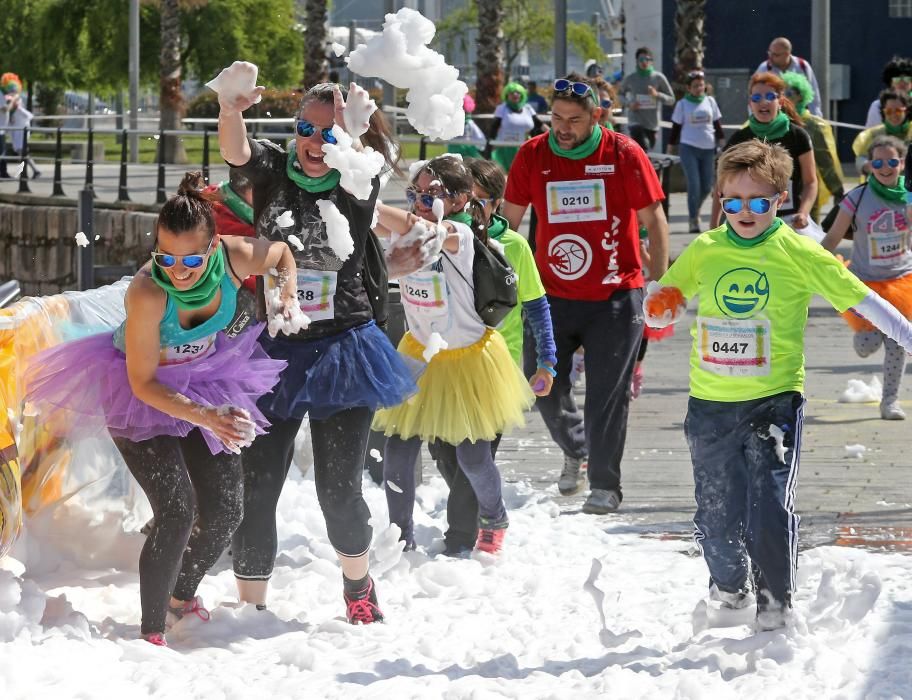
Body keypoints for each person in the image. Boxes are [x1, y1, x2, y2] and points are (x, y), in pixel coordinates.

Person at [644, 139, 912, 630]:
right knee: (716, 512)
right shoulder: (705, 249)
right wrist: (658, 307)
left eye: (759, 202)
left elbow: (863, 300)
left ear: (780, 199)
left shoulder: (798, 252)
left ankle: (776, 604)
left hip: (775, 404)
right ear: (721, 200)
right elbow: (669, 294)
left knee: (769, 503)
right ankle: (730, 592)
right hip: (710, 404)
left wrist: (907, 335)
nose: (745, 212)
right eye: (734, 201)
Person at [25, 172, 297, 646]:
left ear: (214, 247)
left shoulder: (236, 257)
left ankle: (181, 598)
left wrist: (285, 293)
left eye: (191, 259)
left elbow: (280, 255)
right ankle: (151, 632)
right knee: (176, 509)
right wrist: (206, 417)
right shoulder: (148, 291)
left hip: (205, 380)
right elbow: (143, 382)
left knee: (227, 509)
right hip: (138, 394)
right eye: (165, 257)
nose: (178, 270)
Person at [218, 78, 423, 624]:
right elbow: (234, 149)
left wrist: (353, 135)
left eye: (325, 132)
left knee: (339, 489)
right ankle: (251, 607)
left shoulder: (359, 175)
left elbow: (363, 156)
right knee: (257, 488)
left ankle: (358, 585)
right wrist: (228, 107)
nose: (313, 141)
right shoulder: (271, 167)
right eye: (305, 129)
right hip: (273, 347)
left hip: (343, 349)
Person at [502, 73, 669, 511]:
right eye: (556, 117)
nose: (563, 127)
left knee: (606, 396)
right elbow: (508, 226)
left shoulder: (623, 153)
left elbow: (655, 220)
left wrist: (662, 286)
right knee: (542, 384)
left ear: (595, 116)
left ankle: (605, 485)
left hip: (617, 296)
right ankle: (577, 447)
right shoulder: (532, 155)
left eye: (574, 120)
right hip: (551, 295)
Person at [371, 154, 536, 554]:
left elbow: (418, 228)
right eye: (415, 194)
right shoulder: (408, 232)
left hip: (468, 357)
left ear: (462, 199)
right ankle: (401, 538)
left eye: (433, 195)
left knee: (474, 457)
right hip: (419, 351)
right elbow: (370, 225)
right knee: (397, 450)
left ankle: (494, 514)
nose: (420, 202)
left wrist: (371, 204)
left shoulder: (459, 236)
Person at [423, 156, 556, 556]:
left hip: (494, 365)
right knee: (442, 450)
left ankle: (462, 539)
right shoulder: (435, 238)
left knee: (473, 452)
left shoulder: (511, 245)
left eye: (481, 201)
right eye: (464, 200)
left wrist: (547, 360)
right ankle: (482, 508)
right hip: (444, 360)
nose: (471, 209)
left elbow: (536, 305)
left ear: (496, 204)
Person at [821, 136, 911, 419]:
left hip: (901, 282)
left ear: (902, 163)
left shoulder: (909, 197)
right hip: (864, 283)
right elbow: (833, 237)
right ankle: (866, 333)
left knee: (897, 344)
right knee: (867, 346)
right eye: (878, 162)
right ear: (869, 165)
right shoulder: (857, 198)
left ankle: (889, 401)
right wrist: (811, 265)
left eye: (892, 162)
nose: (885, 168)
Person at [711, 72, 817, 231]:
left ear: (780, 101)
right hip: (748, 221)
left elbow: (811, 182)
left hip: (791, 221)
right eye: (756, 98)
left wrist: (803, 213)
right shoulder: (739, 138)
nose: (763, 102)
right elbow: (721, 186)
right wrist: (713, 227)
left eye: (769, 96)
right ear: (750, 103)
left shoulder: (798, 136)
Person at [781, 71, 845, 222]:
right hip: (776, 191)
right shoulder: (770, 122)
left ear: (801, 96)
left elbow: (825, 161)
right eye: (781, 92)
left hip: (805, 193)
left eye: (790, 92)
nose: (785, 97)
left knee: (807, 237)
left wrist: (838, 191)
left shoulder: (813, 125)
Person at [668, 69, 724, 232]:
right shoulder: (682, 104)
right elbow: (676, 128)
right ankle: (693, 219)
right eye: (695, 86)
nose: (699, 88)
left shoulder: (710, 102)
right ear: (688, 88)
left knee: (707, 186)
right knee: (694, 184)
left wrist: (721, 142)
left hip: (708, 148)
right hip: (688, 147)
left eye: (701, 85)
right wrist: (670, 147)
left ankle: (696, 209)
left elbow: (717, 124)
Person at [619, 47, 674, 152]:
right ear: (637, 61)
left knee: (645, 152)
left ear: (651, 61)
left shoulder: (658, 78)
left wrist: (657, 94)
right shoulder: (631, 78)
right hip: (635, 121)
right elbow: (619, 94)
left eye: (647, 59)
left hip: (652, 124)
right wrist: (629, 104)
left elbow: (671, 99)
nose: (644, 62)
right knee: (642, 146)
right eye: (641, 59)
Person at [754, 37, 823, 117]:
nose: (770, 57)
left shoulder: (803, 66)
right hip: (773, 118)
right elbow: (755, 96)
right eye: (770, 53)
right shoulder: (764, 68)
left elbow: (813, 96)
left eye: (776, 55)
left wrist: (816, 118)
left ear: (787, 54)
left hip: (800, 117)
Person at [488, 81, 544, 172]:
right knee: (505, 175)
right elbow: (494, 127)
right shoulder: (502, 108)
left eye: (518, 92)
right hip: (505, 149)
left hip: (525, 148)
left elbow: (539, 124)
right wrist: (489, 145)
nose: (515, 94)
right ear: (507, 95)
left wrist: (553, 133)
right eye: (512, 92)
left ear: (522, 94)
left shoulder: (528, 108)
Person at [853, 90, 911, 176]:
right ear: (883, 112)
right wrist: (865, 166)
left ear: (906, 111)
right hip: (880, 184)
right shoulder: (872, 134)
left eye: (898, 111)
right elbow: (861, 158)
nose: (894, 115)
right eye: (889, 111)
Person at [0, 73, 39, 179]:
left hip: (21, 129)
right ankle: (27, 172)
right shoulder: (10, 98)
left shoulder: (14, 98)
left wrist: (12, 100)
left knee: (21, 151)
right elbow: (9, 110)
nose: (11, 91)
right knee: (19, 151)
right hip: (15, 129)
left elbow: (10, 108)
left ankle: (33, 171)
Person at [865, 57, 912, 128]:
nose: (902, 83)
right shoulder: (877, 106)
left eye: (906, 79)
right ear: (890, 82)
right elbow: (871, 135)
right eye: (897, 79)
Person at [447, 93, 486, 160]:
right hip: (453, 151)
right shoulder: (451, 123)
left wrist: (480, 145)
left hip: (467, 152)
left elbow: (480, 138)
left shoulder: (469, 123)